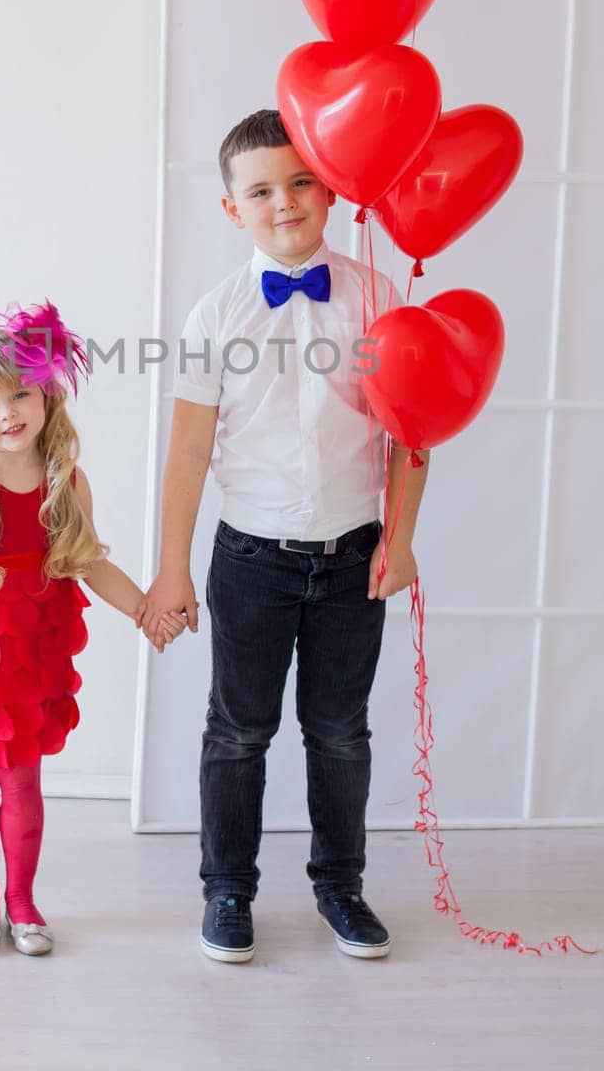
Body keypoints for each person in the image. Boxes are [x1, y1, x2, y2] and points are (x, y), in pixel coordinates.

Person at [140, 109, 429, 964]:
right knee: (238, 730)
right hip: (251, 559)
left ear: (333, 187)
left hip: (354, 555)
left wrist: (401, 538)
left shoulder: (379, 297)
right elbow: (190, 449)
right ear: (233, 210)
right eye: (261, 190)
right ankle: (228, 893)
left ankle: (341, 886)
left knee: (340, 730)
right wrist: (171, 571)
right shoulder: (214, 315)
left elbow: (413, 430)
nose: (285, 201)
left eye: (302, 181)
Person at [0, 299, 185, 958]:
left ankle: (23, 903)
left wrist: (147, 606)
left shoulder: (67, 480)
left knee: (24, 779)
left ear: (47, 396)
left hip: (33, 653)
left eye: (21, 395)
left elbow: (88, 562)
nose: (8, 414)